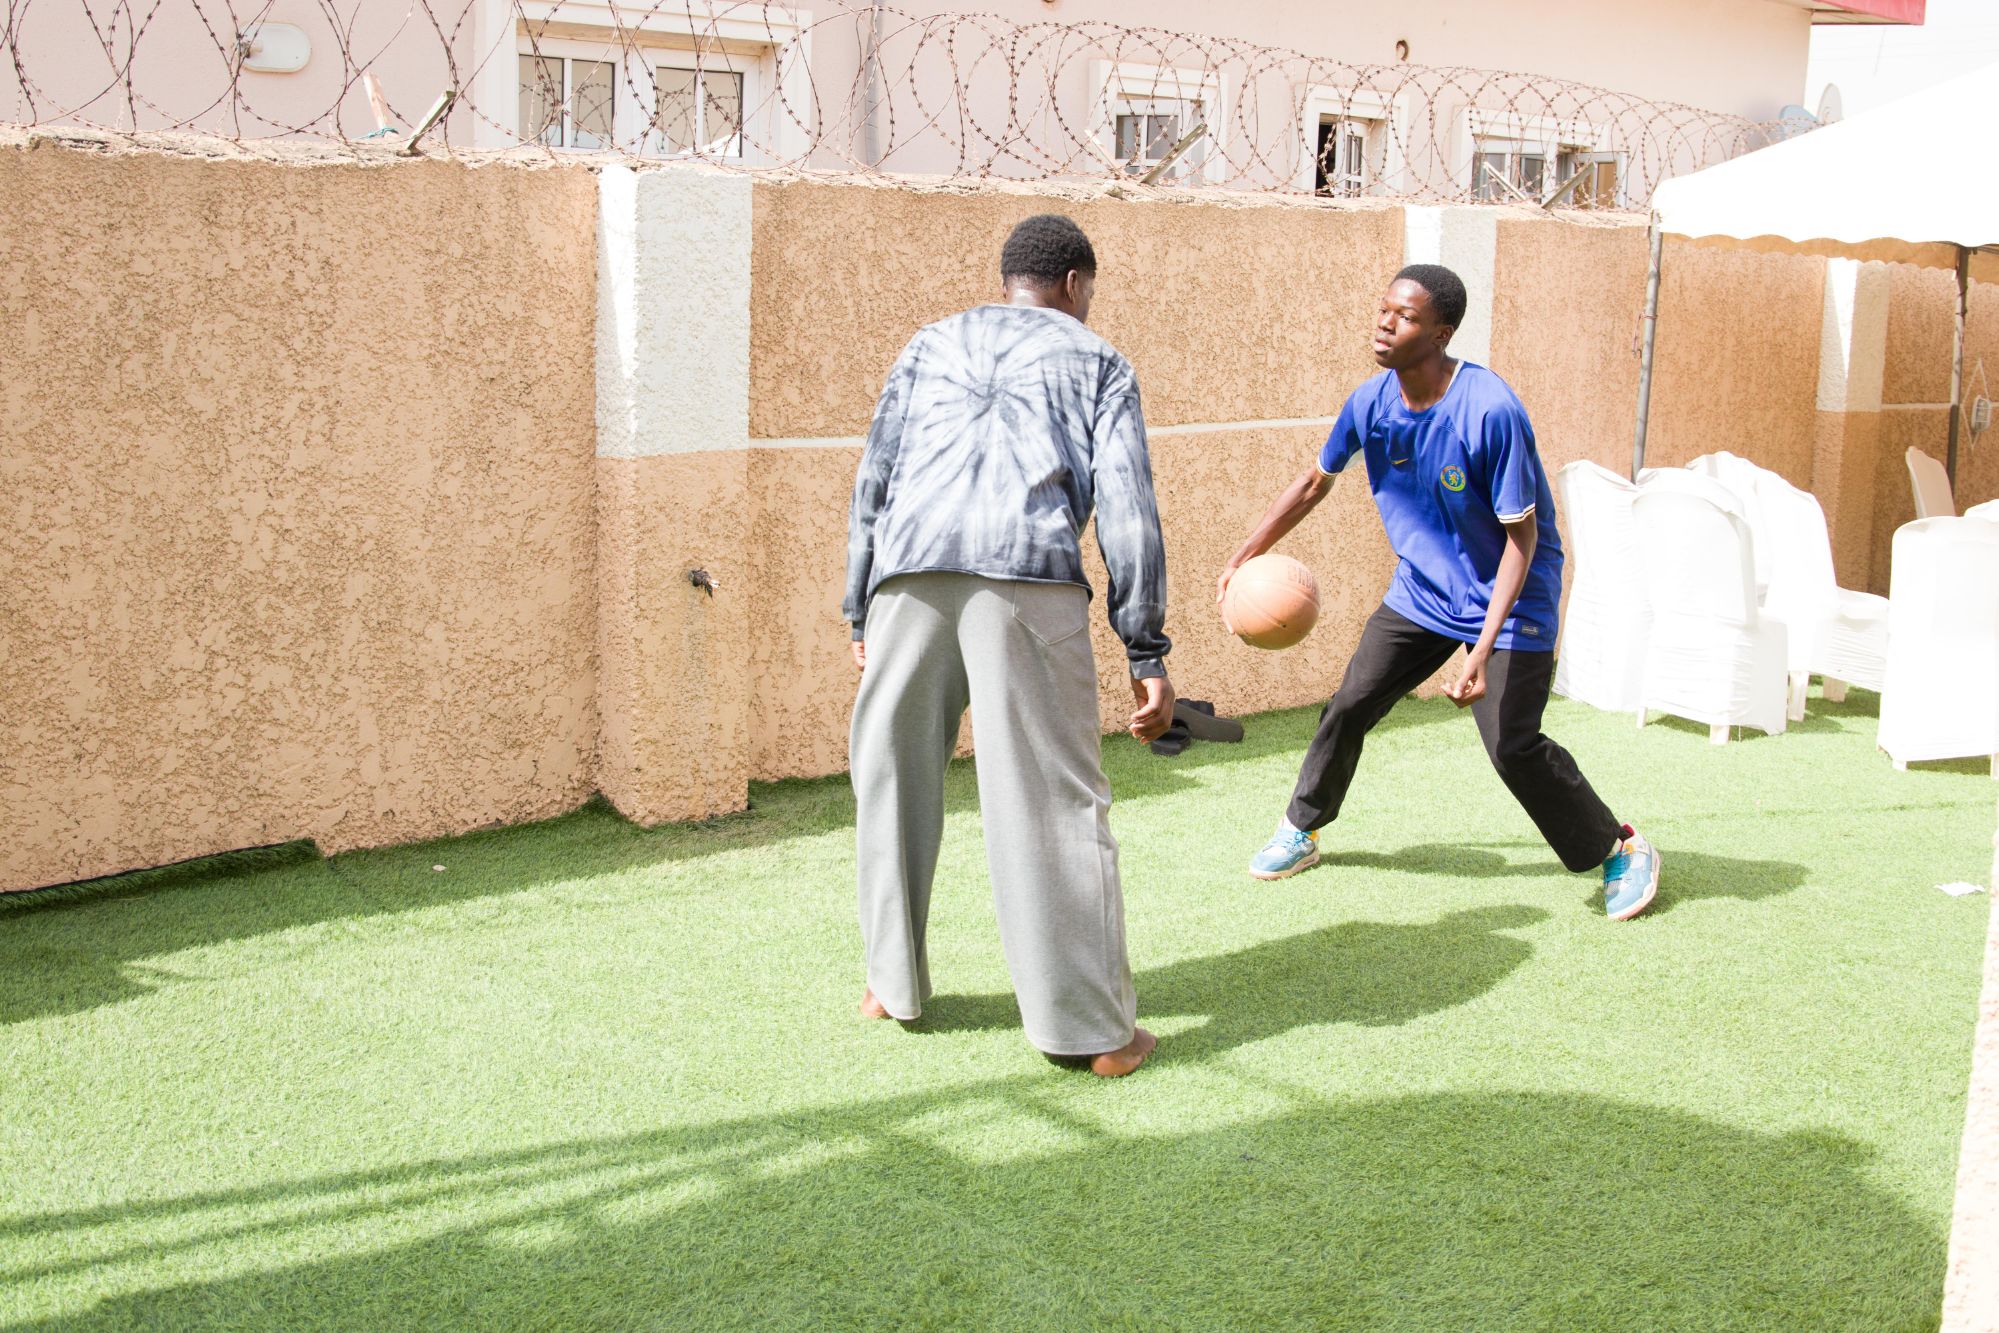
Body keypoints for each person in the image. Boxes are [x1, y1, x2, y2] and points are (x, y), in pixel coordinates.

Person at [1216, 264, 1660, 920]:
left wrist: (1477, 651)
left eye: (1405, 316)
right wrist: (1242, 555)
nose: (1384, 322)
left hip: (1512, 595)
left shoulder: (1490, 411)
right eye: (1383, 309)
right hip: (1423, 591)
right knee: (1350, 703)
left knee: (1510, 743)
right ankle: (1302, 827)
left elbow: (1521, 540)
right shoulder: (1369, 403)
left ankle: (1618, 846)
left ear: (1440, 332)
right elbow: (1314, 482)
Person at [843, 213, 1174, 1075]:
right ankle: (1093, 1032)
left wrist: (859, 612)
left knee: (891, 780)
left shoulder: (927, 344)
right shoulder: (1098, 361)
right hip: (1027, 577)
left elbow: (873, 479)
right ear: (1072, 284)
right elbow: (1129, 509)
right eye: (1089, 293)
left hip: (906, 577)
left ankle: (891, 984)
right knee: (1054, 804)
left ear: (1007, 282)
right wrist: (1145, 647)